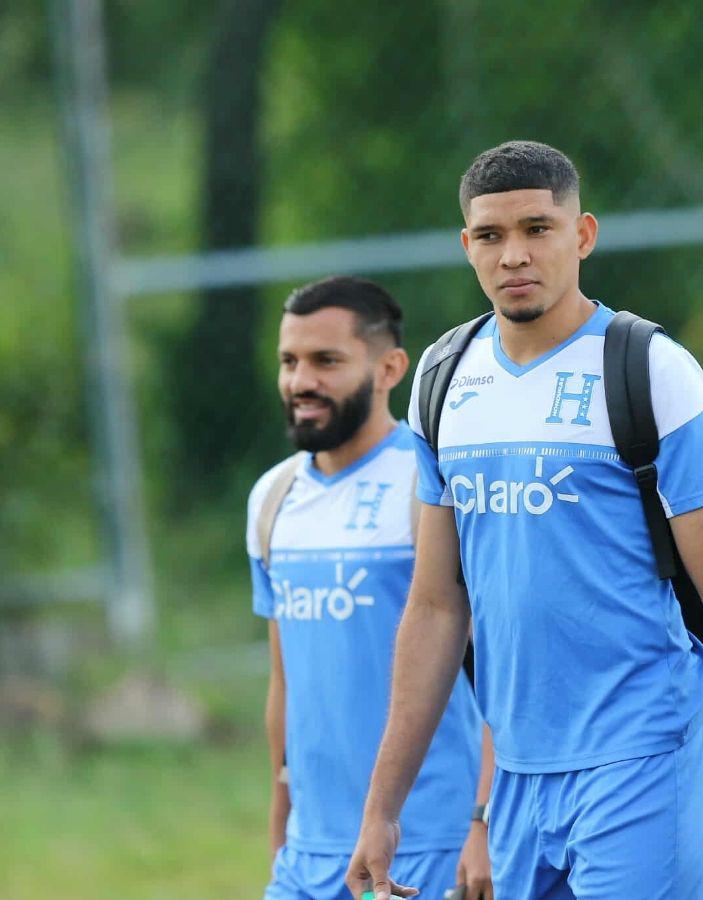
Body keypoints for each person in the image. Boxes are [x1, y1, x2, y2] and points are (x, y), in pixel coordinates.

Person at [344, 140, 703, 899]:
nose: (514, 255)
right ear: (467, 247)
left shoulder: (651, 370)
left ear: (581, 236)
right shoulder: (443, 379)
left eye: (537, 229)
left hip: (644, 753)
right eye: (491, 236)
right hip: (519, 770)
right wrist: (383, 811)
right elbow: (436, 603)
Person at [246, 276, 487, 900]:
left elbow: (498, 668)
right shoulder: (272, 498)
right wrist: (282, 820)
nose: (302, 382)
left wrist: (481, 823)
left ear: (389, 368)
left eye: (326, 361)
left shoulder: (429, 481)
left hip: (423, 849)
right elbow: (285, 677)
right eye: (289, 361)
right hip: (308, 852)